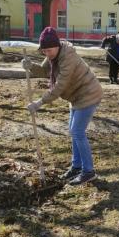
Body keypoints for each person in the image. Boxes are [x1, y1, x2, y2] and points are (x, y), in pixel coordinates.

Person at [22, 27, 103, 186]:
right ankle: (76, 166)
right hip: (76, 97)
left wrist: (39, 103)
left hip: (88, 94)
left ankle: (88, 172)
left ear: (57, 45)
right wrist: (30, 66)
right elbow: (44, 71)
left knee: (77, 131)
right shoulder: (53, 55)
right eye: (44, 51)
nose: (47, 54)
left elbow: (59, 87)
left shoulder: (67, 57)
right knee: (74, 131)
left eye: (49, 50)